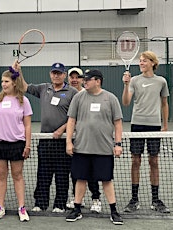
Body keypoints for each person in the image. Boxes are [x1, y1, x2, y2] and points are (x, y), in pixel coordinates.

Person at [65, 69, 124, 225]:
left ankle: (113, 211)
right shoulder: (78, 98)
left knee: (106, 180)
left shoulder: (110, 98)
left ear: (98, 81)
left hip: (104, 149)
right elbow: (71, 121)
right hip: (81, 148)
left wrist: (117, 144)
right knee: (80, 179)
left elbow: (117, 123)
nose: (84, 81)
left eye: (88, 79)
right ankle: (77, 209)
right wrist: (69, 142)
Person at [24, 62, 77, 213]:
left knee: (62, 175)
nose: (56, 75)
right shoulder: (43, 88)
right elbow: (24, 86)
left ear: (64, 75)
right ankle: (40, 203)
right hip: (45, 140)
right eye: (54, 73)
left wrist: (62, 129)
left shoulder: (73, 92)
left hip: (63, 141)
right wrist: (18, 71)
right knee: (43, 174)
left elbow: (76, 116)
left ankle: (59, 204)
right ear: (50, 74)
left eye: (59, 73)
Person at [121, 51, 170, 213]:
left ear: (152, 63)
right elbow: (126, 103)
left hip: (154, 126)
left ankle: (155, 200)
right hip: (137, 125)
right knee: (135, 162)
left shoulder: (161, 81)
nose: (141, 63)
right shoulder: (134, 80)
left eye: (144, 61)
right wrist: (126, 85)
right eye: (140, 61)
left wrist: (165, 125)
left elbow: (164, 104)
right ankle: (134, 200)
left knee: (154, 162)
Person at [0, 62, 32, 222]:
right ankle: (0, 207)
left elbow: (27, 124)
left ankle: (22, 208)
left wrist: (27, 144)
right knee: (1, 175)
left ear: (14, 83)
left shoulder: (23, 101)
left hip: (17, 144)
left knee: (17, 175)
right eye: (2, 81)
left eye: (6, 81)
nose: (3, 84)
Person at [66, 67, 102, 213]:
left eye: (78, 77)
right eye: (72, 77)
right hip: (74, 140)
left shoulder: (91, 95)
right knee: (76, 172)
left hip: (91, 141)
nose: (75, 80)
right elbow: (71, 118)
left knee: (92, 172)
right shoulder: (70, 95)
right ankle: (77, 199)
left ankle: (96, 199)